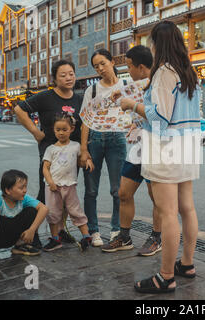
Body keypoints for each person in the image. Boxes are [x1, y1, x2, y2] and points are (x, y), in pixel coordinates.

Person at [119, 21, 200, 294]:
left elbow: (161, 117)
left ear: (159, 44)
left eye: (153, 42)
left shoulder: (165, 72)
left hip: (167, 149)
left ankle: (166, 276)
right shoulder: (188, 70)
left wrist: (133, 106)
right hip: (187, 145)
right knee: (187, 208)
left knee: (168, 213)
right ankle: (186, 264)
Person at [102, 45, 162, 257]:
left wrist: (132, 107)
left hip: (156, 147)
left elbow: (160, 118)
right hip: (139, 147)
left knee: (157, 197)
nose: (128, 70)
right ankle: (124, 236)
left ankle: (157, 237)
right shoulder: (136, 86)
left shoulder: (158, 85)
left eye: (129, 66)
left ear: (142, 67)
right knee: (124, 193)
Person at [14, 60, 82, 245]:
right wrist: (36, 132)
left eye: (71, 73)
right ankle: (30, 232)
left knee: (66, 194)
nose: (68, 78)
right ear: (55, 78)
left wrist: (84, 152)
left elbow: (83, 126)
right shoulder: (45, 97)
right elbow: (19, 109)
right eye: (63, 75)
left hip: (71, 156)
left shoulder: (78, 98)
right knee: (46, 195)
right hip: (51, 155)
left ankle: (59, 231)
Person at [79, 49, 127, 246]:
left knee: (118, 190)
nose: (100, 68)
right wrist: (84, 150)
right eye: (96, 66)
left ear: (112, 62)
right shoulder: (92, 90)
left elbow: (135, 110)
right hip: (95, 140)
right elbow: (85, 121)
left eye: (103, 63)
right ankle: (94, 231)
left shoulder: (125, 85)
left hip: (117, 139)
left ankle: (117, 230)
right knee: (91, 190)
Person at [0, 170, 49, 268]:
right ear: (8, 190)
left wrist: (32, 230)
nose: (25, 190)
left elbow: (44, 208)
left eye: (25, 186)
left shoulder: (24, 198)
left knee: (32, 211)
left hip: (13, 237)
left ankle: (19, 246)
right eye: (21, 187)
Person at [42, 112, 93, 251]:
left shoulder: (76, 146)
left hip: (70, 185)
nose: (61, 133)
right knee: (53, 213)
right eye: (58, 130)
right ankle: (55, 239)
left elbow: (83, 156)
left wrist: (87, 160)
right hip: (52, 187)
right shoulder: (50, 149)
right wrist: (50, 182)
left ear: (71, 129)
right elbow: (45, 168)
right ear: (54, 130)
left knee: (75, 211)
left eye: (64, 129)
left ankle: (86, 236)